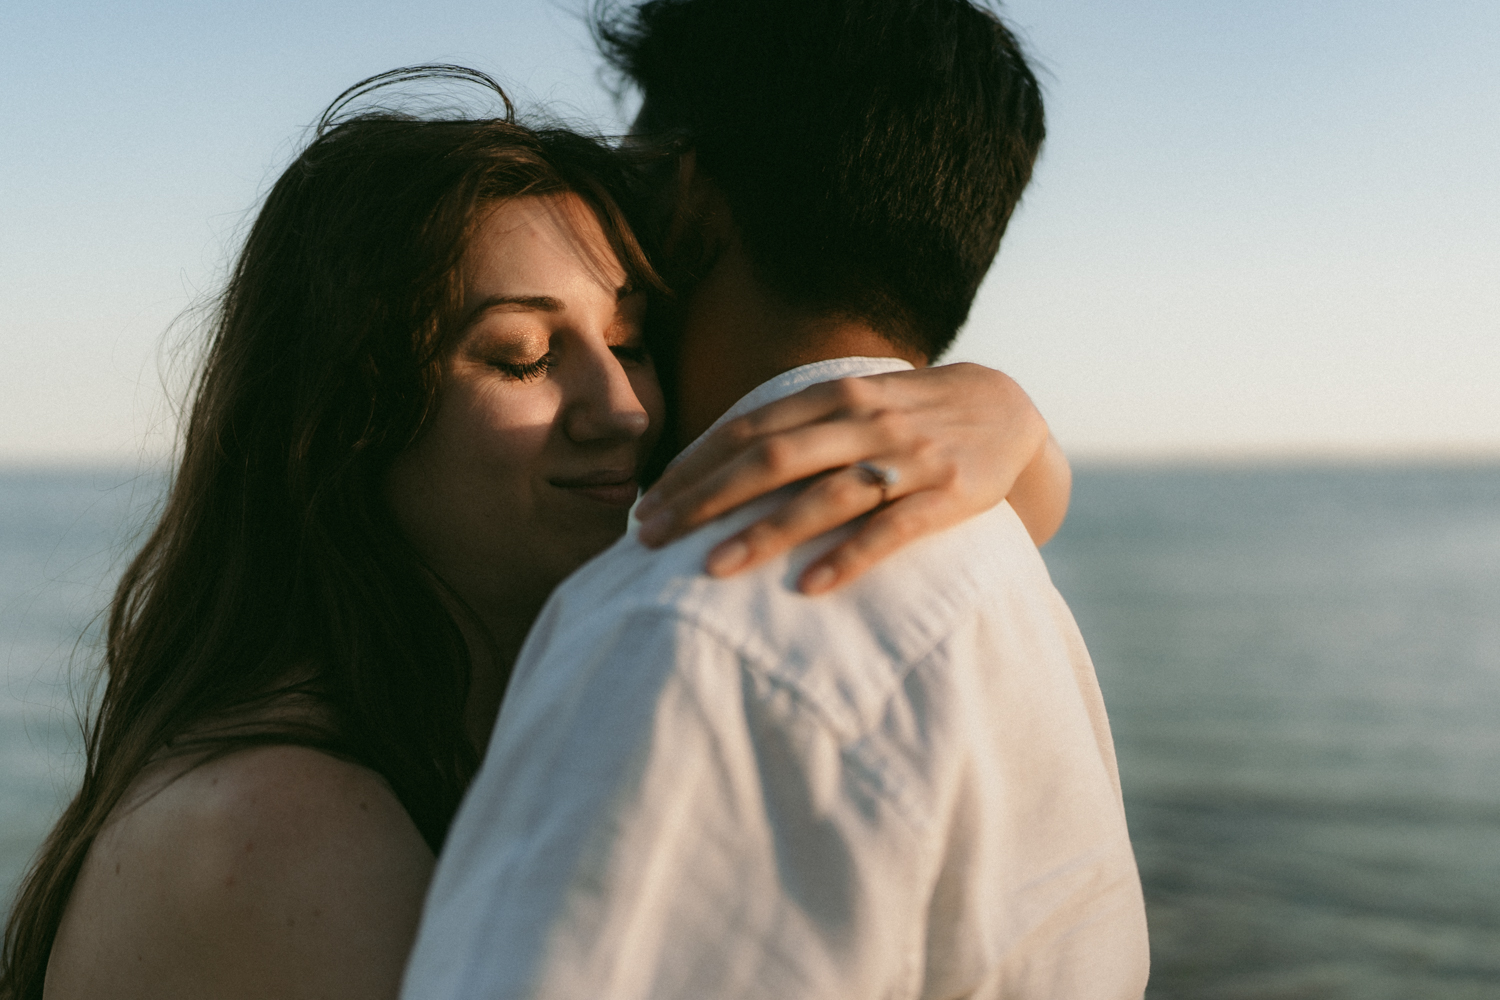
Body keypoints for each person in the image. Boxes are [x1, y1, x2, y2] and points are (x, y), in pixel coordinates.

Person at [0, 70, 1071, 1000]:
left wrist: (1004, 420)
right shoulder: (288, 821)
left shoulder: (444, 717)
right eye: (519, 355)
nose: (626, 409)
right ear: (344, 422)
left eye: (631, 341)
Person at [402, 2, 1150, 998]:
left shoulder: (682, 628)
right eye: (527, 355)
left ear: (688, 196)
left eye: (631, 176)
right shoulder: (997, 559)